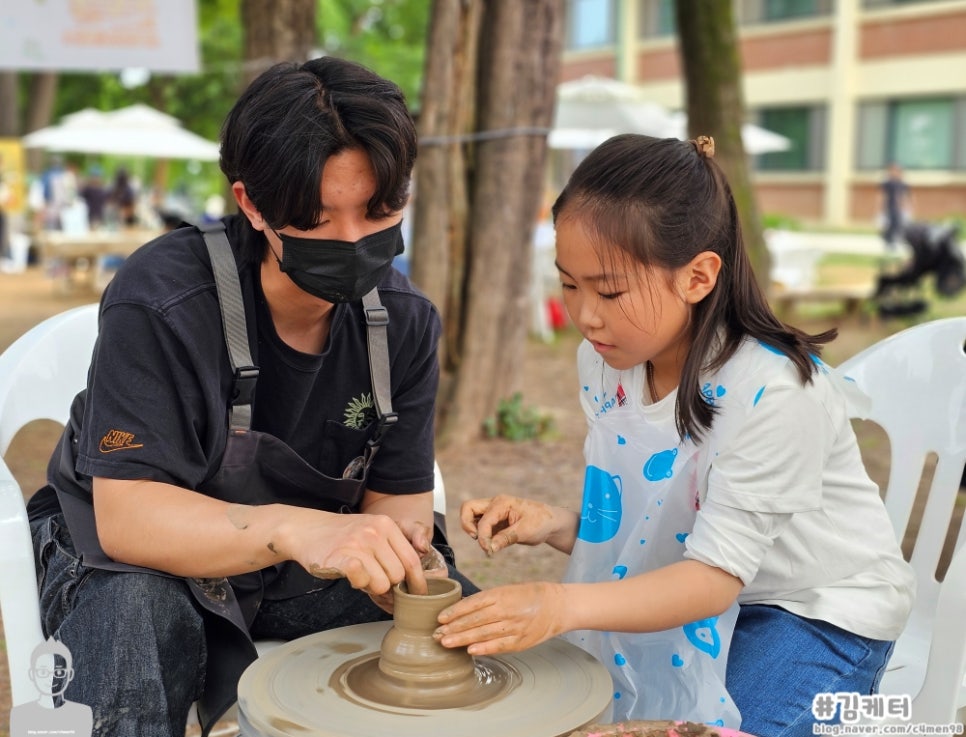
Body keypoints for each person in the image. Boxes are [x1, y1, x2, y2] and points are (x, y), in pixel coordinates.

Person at [26, 56, 476, 737]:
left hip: (295, 570)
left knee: (468, 631)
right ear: (252, 203)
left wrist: (402, 557)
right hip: (135, 561)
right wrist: (299, 528)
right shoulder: (163, 300)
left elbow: (399, 503)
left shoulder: (405, 324)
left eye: (379, 209)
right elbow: (128, 519)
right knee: (135, 622)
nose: (355, 240)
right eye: (320, 219)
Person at [434, 135, 914, 737]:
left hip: (814, 610)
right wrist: (557, 524)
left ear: (698, 276)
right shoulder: (606, 363)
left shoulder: (774, 392)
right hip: (712, 589)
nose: (586, 315)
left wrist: (557, 606)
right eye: (569, 285)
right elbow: (665, 520)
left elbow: (712, 578)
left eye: (608, 290)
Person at [9, 638, 93, 737]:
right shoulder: (20, 715)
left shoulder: (83, 714)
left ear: (70, 674)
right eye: (43, 672)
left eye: (59, 672)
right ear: (32, 674)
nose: (50, 679)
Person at [879, 162, 911, 251]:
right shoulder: (887, 183)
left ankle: (896, 241)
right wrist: (881, 207)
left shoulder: (902, 184)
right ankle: (888, 241)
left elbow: (905, 196)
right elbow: (883, 195)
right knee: (889, 224)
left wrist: (906, 206)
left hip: (899, 208)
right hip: (890, 206)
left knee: (899, 225)